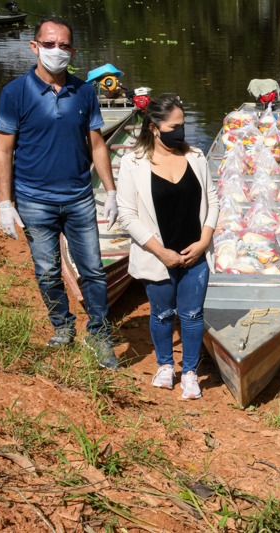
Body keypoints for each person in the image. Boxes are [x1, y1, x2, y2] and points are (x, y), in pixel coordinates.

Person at [0, 17, 120, 370]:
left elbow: (97, 144)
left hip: (79, 197)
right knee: (48, 271)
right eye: (49, 44)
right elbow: (3, 150)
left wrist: (111, 191)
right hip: (34, 199)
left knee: (93, 271)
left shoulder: (84, 92)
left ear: (73, 52)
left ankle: (99, 334)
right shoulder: (15, 92)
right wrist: (4, 203)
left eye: (64, 45)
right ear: (34, 46)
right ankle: (63, 327)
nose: (56, 51)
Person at [116, 94, 218, 400]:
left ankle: (189, 372)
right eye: (174, 127)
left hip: (195, 255)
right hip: (157, 256)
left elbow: (213, 201)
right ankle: (165, 365)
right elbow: (127, 215)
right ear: (153, 127)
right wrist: (161, 252)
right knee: (161, 314)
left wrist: (204, 241)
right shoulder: (133, 164)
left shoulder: (196, 157)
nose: (180, 131)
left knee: (192, 315)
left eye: (182, 124)